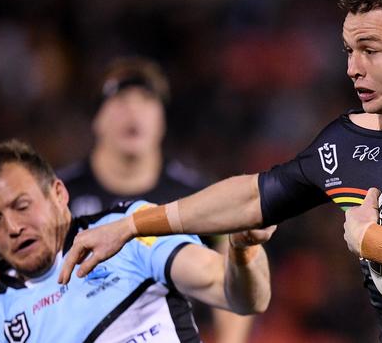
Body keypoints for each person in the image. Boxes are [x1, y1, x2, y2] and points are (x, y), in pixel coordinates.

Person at [59, 0, 382, 341]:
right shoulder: (344, 144)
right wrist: (132, 225)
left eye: (370, 50)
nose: (353, 67)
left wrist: (375, 240)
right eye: (349, 51)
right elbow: (255, 194)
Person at [0, 140, 273, 343]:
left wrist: (243, 251)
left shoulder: (127, 233)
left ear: (59, 194)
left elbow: (240, 296)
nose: (12, 227)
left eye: (22, 206)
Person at [58, 57, 255, 342]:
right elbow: (15, 275)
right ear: (96, 118)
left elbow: (234, 266)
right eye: (120, 99)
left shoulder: (194, 194)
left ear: (162, 119)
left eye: (147, 100)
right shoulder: (59, 196)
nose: (134, 111)